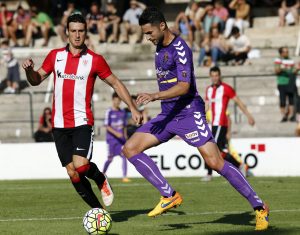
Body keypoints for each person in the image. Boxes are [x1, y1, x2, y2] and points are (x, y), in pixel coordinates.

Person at [122, 7, 269, 231]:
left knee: (215, 162)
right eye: (145, 34)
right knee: (130, 148)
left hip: (189, 113)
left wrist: (154, 95)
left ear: (162, 26)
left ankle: (260, 207)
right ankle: (168, 194)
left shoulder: (181, 48)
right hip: (168, 114)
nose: (148, 38)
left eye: (149, 33)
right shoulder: (159, 47)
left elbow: (184, 86)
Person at [22, 13, 142, 209]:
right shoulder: (55, 56)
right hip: (59, 124)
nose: (77, 35)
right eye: (73, 31)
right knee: (73, 172)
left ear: (86, 33)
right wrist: (29, 71)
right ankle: (98, 211)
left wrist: (132, 107)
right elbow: (36, 80)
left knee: (82, 165)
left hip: (81, 121)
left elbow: (116, 83)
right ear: (67, 33)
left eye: (81, 31)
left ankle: (101, 178)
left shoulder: (95, 60)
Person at [203, 66, 255, 181]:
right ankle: (241, 166)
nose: (215, 78)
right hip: (212, 124)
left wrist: (249, 116)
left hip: (221, 123)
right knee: (220, 150)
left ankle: (209, 173)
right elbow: (207, 105)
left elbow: (239, 102)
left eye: (217, 75)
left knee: (211, 147)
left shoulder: (226, 88)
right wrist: (203, 116)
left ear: (220, 76)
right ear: (210, 76)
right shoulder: (208, 90)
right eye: (213, 76)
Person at [103, 92, 130, 183]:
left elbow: (124, 127)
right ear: (113, 100)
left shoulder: (123, 112)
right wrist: (116, 133)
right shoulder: (109, 112)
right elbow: (107, 126)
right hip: (111, 139)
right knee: (110, 158)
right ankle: (103, 173)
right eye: (116, 100)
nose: (117, 102)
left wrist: (126, 138)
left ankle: (124, 176)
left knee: (124, 156)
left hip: (121, 140)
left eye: (119, 100)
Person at [274, 47, 299, 122]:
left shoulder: (290, 60)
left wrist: (295, 69)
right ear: (281, 53)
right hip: (282, 82)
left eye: (287, 52)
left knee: (291, 100)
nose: (287, 53)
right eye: (285, 52)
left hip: (291, 82)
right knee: (282, 100)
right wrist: (285, 68)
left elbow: (293, 70)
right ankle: (283, 115)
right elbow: (277, 70)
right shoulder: (278, 60)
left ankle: (291, 115)